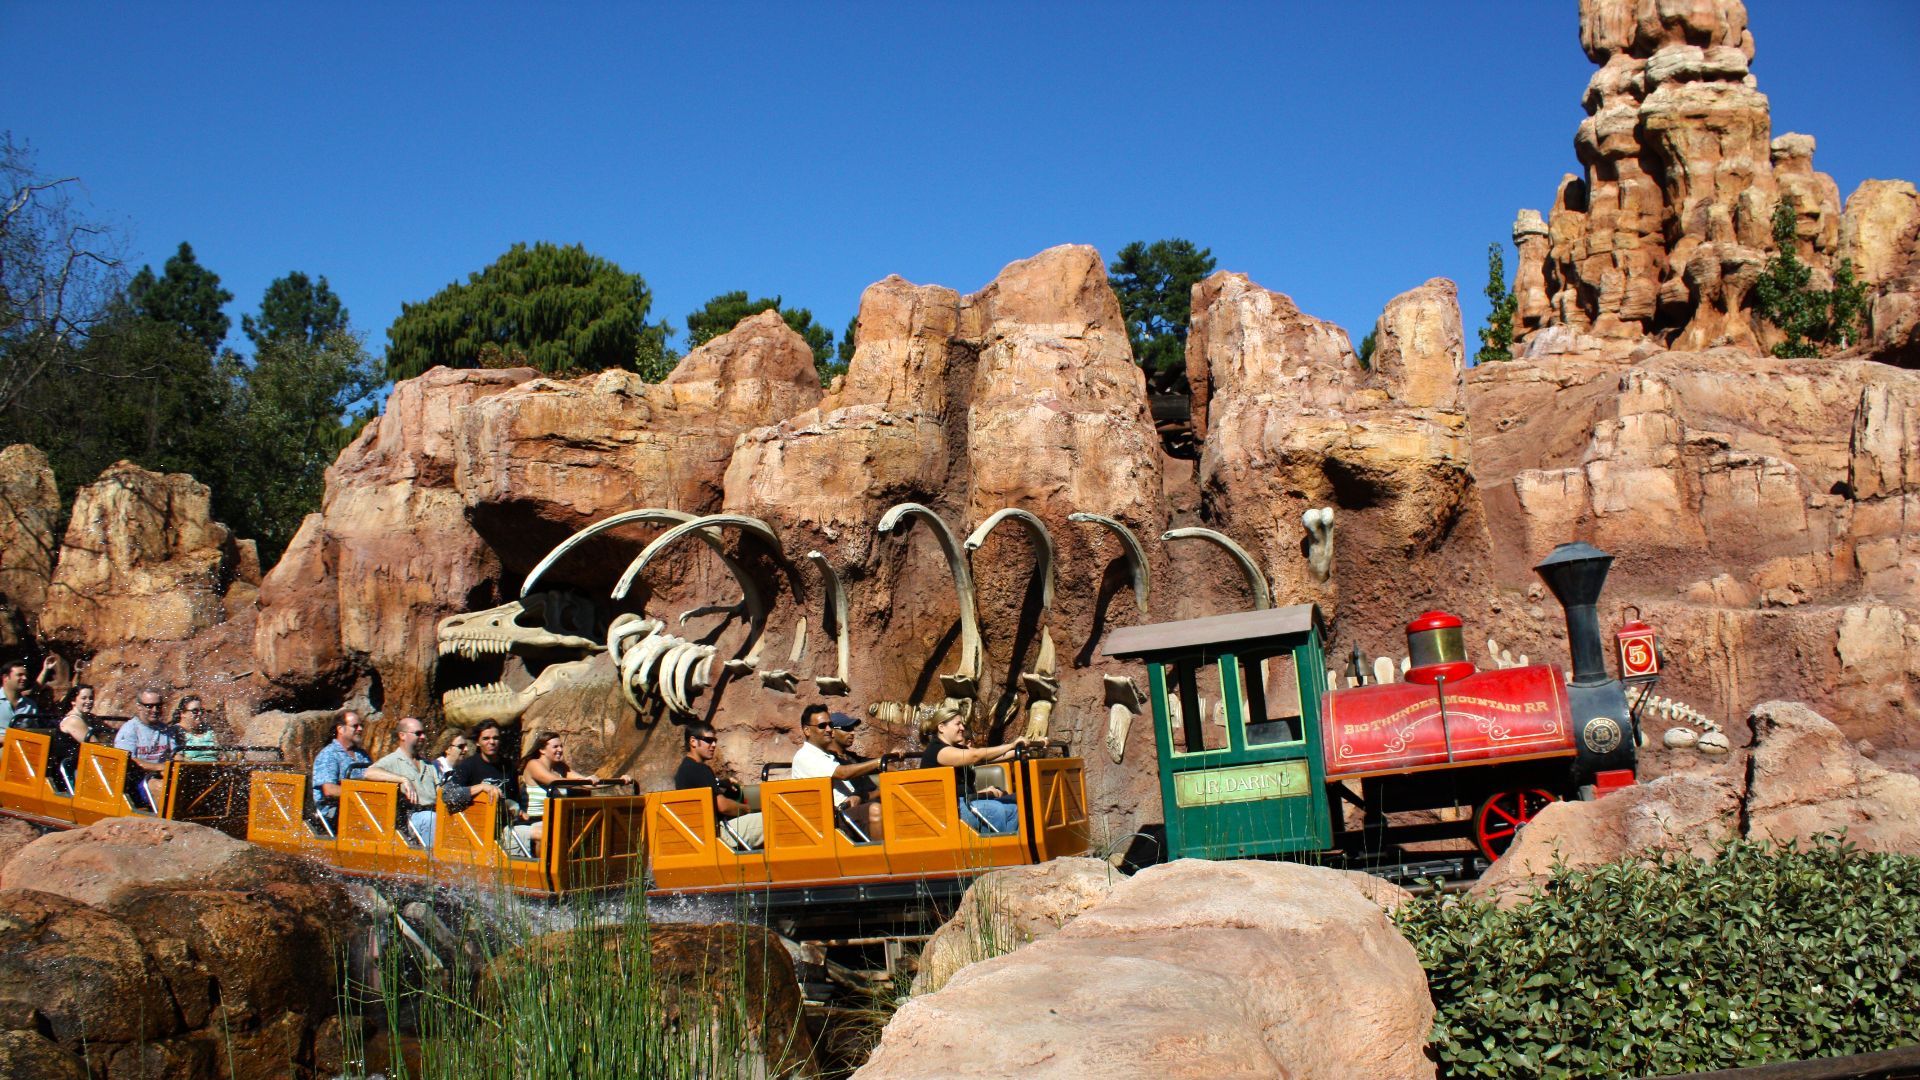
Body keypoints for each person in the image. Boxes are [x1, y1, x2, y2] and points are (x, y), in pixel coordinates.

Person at [516, 733, 630, 855]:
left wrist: (620, 780)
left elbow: (588, 784)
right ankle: (542, 867)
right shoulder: (533, 764)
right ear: (542, 750)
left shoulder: (560, 767)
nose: (560, 750)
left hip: (558, 820)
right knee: (550, 833)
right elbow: (554, 782)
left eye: (561, 746)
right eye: (555, 747)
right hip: (535, 820)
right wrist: (583, 782)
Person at [920, 709, 1027, 835]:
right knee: (995, 810)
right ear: (941, 727)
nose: (962, 727)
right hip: (947, 809)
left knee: (1015, 810)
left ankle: (1011, 849)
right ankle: (995, 849)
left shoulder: (957, 749)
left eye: (962, 724)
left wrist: (1020, 751)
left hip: (964, 802)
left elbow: (990, 756)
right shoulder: (937, 750)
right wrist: (1011, 745)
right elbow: (976, 755)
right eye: (957, 724)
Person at [789, 704, 884, 840]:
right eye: (822, 726)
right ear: (807, 730)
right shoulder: (805, 756)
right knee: (875, 810)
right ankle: (881, 858)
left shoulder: (829, 755)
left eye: (830, 725)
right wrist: (878, 762)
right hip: (827, 820)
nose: (829, 730)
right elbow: (842, 773)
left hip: (844, 812)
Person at [673, 722, 762, 848]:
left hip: (698, 836)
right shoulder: (700, 769)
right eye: (708, 740)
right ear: (693, 741)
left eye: (715, 740)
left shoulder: (683, 770)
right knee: (771, 819)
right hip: (719, 835)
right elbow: (723, 806)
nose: (713, 745)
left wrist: (722, 783)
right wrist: (746, 808)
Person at [448, 721, 531, 848]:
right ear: (477, 742)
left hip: (506, 825)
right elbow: (449, 795)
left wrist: (520, 811)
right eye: (486, 738)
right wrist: (481, 787)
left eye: (495, 738)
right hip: (478, 830)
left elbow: (515, 799)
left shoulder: (508, 766)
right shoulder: (468, 765)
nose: (492, 742)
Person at [364, 716, 439, 846]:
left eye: (424, 733)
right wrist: (402, 779)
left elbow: (440, 790)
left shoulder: (429, 765)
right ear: (402, 735)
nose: (423, 737)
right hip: (410, 819)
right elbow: (369, 773)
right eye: (418, 733)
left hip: (433, 814)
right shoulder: (393, 760)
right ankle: (433, 863)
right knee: (431, 819)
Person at [828, 710, 891, 840]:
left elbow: (877, 765)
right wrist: (882, 790)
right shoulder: (831, 761)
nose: (852, 733)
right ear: (832, 732)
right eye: (846, 729)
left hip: (870, 801)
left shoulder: (851, 757)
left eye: (852, 729)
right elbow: (860, 794)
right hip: (859, 810)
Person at [114, 688, 179, 810]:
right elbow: (129, 760)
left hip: (162, 774)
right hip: (138, 780)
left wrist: (180, 765)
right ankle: (166, 822)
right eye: (149, 706)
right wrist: (161, 767)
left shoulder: (165, 729)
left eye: (158, 706)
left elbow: (176, 754)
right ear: (139, 706)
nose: (155, 710)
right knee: (162, 787)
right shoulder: (129, 730)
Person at [310, 710, 372, 831]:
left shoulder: (362, 755)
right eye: (355, 726)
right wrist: (362, 796)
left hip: (361, 809)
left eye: (361, 726)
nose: (360, 729)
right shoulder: (329, 755)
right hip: (334, 815)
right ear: (340, 729)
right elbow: (329, 790)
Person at [48, 683, 97, 792]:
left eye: (91, 698)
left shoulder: (88, 718)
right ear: (73, 701)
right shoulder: (73, 720)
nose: (89, 701)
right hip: (69, 770)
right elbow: (95, 745)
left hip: (80, 764)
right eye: (84, 698)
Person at [0, 659, 47, 731]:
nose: (25, 678)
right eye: (20, 675)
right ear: (5, 677)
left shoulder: (30, 705)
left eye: (25, 675)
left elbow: (34, 732)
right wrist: (5, 739)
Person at [175, 696, 219, 763]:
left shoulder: (209, 730)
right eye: (195, 711)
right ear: (182, 713)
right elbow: (176, 757)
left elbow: (221, 753)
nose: (200, 713)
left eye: (201, 710)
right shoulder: (176, 731)